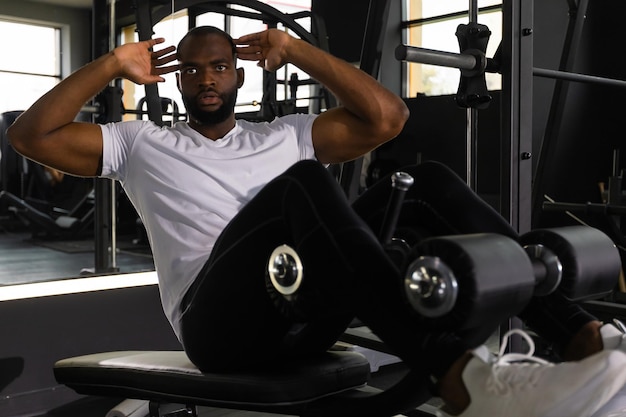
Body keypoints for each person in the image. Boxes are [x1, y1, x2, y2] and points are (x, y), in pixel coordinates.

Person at [7, 25, 626, 417]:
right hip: (217, 325)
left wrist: (296, 49)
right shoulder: (139, 143)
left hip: (303, 310)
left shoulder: (285, 134)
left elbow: (388, 117)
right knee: (300, 184)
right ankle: (468, 380)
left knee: (428, 182)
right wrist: (113, 64)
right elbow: (29, 135)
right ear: (176, 79)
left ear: (239, 73)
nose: (206, 78)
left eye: (219, 65)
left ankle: (582, 336)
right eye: (193, 69)